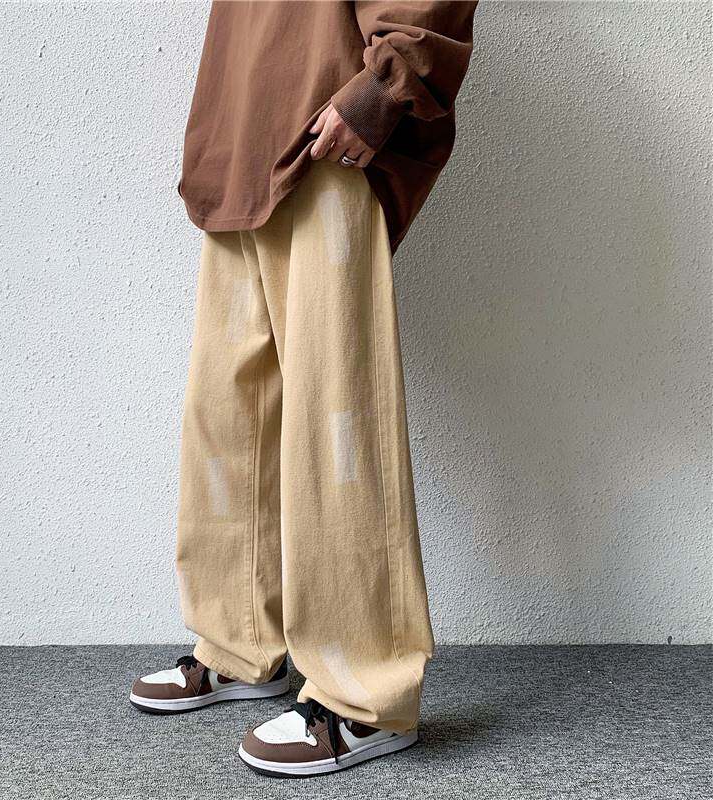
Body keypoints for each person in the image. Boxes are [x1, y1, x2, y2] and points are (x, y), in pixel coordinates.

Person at [129, 0, 478, 778]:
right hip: (243, 146)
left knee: (339, 417)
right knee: (227, 413)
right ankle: (240, 643)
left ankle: (366, 694)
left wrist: (378, 91)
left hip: (324, 134)